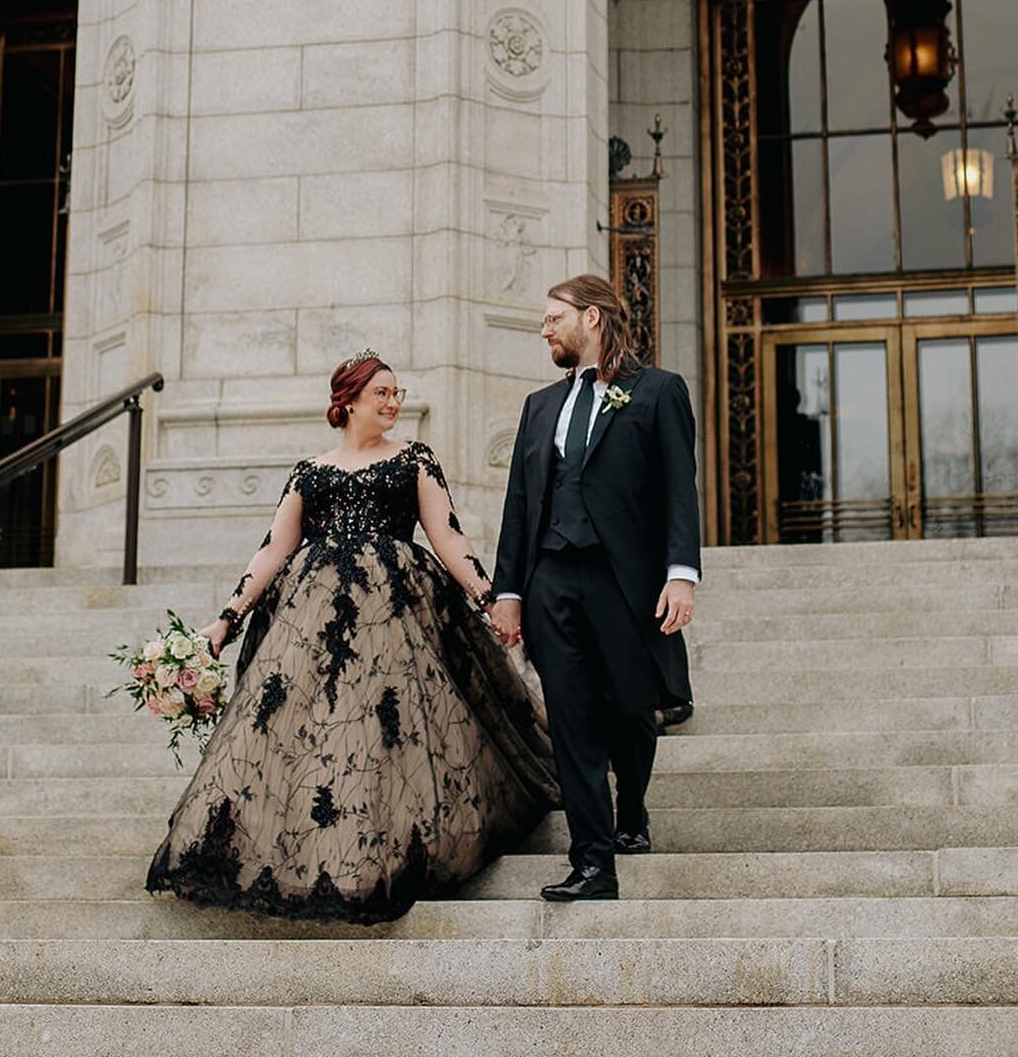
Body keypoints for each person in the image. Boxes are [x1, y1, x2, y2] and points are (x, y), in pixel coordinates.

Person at [148, 350, 558, 924]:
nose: (394, 403)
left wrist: (490, 600)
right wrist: (226, 619)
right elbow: (272, 549)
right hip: (310, 627)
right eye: (382, 393)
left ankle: (376, 856)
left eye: (397, 393)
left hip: (394, 620)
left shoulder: (414, 460)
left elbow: (448, 538)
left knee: (380, 732)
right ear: (349, 401)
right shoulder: (309, 472)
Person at [488, 275, 700, 902]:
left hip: (622, 577)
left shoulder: (657, 392)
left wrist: (681, 573)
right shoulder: (539, 406)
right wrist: (509, 590)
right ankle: (592, 863)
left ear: (594, 319)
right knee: (574, 719)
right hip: (551, 575)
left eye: (555, 317)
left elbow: (677, 489)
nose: (545, 329)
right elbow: (520, 503)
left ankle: (630, 811)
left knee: (630, 706)